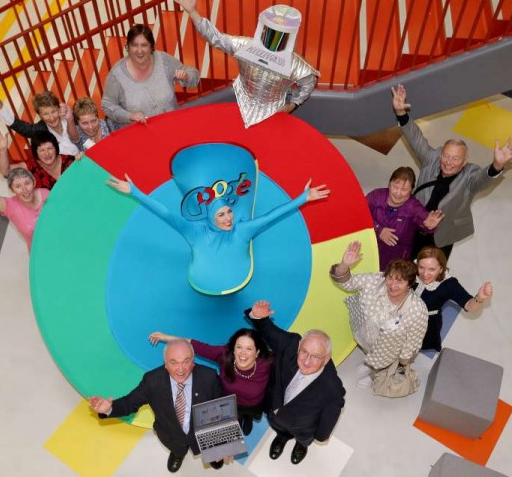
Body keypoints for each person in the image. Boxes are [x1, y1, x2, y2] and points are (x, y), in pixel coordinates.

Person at [107, 174, 329, 294]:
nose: (228, 218)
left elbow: (272, 216)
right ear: (211, 218)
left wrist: (303, 198)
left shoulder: (242, 230)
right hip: (200, 284)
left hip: (239, 281)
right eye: (221, 215)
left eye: (229, 212)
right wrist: (135, 192)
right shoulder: (195, 231)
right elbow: (165, 214)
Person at [391, 84, 512, 259]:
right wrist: (401, 113)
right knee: (402, 266)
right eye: (446, 156)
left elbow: (481, 180)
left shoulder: (469, 175)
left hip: (441, 236)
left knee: (431, 277)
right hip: (414, 226)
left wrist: (496, 165)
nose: (448, 162)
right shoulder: (432, 158)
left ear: (465, 161)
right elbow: (416, 139)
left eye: (455, 159)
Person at [174, 0, 319, 128]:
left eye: (280, 35)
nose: (274, 39)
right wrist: (192, 12)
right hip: (241, 104)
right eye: (271, 32)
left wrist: (292, 105)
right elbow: (215, 37)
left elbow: (309, 81)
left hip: (274, 113)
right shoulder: (245, 46)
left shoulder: (294, 63)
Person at [88, 340, 225, 472]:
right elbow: (129, 403)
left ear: (193, 362)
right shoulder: (152, 381)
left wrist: (220, 445)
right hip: (171, 435)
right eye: (173, 362)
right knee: (177, 448)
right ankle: (178, 454)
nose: (181, 369)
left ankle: (213, 455)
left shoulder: (210, 377)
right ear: (165, 364)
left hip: (203, 433)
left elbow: (221, 410)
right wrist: (109, 409)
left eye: (186, 361)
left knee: (214, 453)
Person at [245, 300, 345, 465]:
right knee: (280, 428)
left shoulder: (332, 387)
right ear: (299, 347)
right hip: (275, 410)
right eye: (304, 352)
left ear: (326, 359)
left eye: (315, 357)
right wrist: (258, 317)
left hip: (303, 427)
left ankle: (301, 446)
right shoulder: (291, 344)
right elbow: (270, 332)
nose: (306, 361)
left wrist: (320, 437)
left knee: (303, 438)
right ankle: (282, 437)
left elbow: (330, 416)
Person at [330, 241, 428, 389]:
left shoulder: (417, 309)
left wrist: (402, 364)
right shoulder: (375, 280)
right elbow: (347, 283)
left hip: (389, 350)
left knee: (384, 363)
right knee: (368, 350)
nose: (392, 286)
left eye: (400, 282)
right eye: (390, 278)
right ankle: (369, 363)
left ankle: (374, 374)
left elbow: (413, 340)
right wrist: (345, 265)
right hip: (367, 333)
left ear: (409, 284)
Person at [149, 328, 273, 435]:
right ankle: (239, 419)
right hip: (228, 403)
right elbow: (194, 345)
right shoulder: (224, 355)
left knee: (249, 415)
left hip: (253, 405)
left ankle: (248, 419)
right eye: (239, 347)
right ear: (233, 349)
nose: (242, 353)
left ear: (257, 353)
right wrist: (166, 337)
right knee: (233, 419)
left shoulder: (267, 364)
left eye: (249, 349)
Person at [101, 24, 200, 129]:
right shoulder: (117, 74)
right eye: (134, 45)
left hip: (172, 127)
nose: (139, 51)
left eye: (144, 45)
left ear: (151, 46)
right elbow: (107, 105)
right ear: (128, 47)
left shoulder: (163, 60)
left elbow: (194, 75)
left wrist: (186, 76)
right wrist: (130, 116)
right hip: (139, 136)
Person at [416, 246, 493, 351]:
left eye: (432, 269)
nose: (425, 274)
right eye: (421, 267)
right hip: (400, 319)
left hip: (423, 326)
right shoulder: (411, 270)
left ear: (441, 269)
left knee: (408, 353)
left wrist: (479, 298)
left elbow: (470, 306)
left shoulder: (449, 284)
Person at [366, 166, 444, 271]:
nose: (398, 193)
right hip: (367, 250)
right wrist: (379, 229)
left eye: (404, 189)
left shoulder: (413, 206)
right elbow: (359, 214)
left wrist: (429, 225)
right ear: (389, 184)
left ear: (411, 190)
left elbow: (423, 218)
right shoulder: (376, 195)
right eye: (395, 187)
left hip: (395, 262)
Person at [0, 80, 80, 155]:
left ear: (59, 108)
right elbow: (15, 123)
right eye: (46, 114)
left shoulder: (71, 117)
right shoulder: (39, 130)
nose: (51, 117)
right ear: (40, 115)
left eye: (53, 111)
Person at [0, 128, 78, 191]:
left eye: (50, 148)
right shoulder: (32, 166)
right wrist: (3, 150)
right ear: (35, 152)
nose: (47, 153)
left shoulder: (69, 161)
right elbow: (6, 171)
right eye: (42, 150)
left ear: (56, 148)